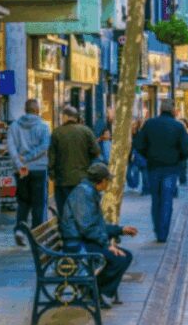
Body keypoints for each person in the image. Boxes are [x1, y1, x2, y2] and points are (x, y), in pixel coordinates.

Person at [59, 163, 138, 308]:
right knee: (119, 259)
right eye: (107, 180)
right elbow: (87, 227)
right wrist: (107, 245)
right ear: (100, 181)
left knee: (125, 256)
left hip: (84, 240)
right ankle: (99, 291)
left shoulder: (89, 192)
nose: (108, 183)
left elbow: (96, 225)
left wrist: (120, 230)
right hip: (77, 244)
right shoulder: (83, 194)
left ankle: (100, 291)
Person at [135, 98, 188, 243]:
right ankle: (163, 233)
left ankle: (157, 229)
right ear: (173, 110)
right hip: (171, 168)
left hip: (153, 167)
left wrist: (148, 156)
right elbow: (186, 148)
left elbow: (139, 144)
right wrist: (179, 159)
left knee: (156, 199)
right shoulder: (178, 126)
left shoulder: (150, 124)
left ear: (160, 109)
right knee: (167, 200)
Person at [8, 99, 51, 246]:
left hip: (22, 170)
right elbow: (45, 146)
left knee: (23, 202)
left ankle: (20, 230)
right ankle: (36, 235)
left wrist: (20, 163)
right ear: (37, 110)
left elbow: (11, 148)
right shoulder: (43, 126)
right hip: (39, 169)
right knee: (39, 203)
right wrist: (29, 157)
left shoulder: (14, 126)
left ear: (25, 110)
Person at [49, 106, 100, 217]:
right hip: (82, 178)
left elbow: (51, 157)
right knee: (81, 211)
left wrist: (52, 174)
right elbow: (96, 151)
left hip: (62, 180)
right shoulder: (86, 131)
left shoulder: (57, 133)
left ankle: (67, 232)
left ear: (65, 117)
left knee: (64, 211)